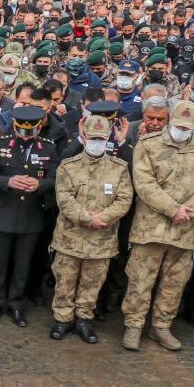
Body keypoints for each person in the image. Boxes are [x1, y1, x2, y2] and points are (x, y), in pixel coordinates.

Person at [122, 100, 194, 352]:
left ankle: (161, 327)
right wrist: (172, 209)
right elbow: (143, 183)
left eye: (187, 127)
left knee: (175, 283)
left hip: (186, 229)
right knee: (140, 279)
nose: (181, 130)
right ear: (169, 121)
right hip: (151, 227)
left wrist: (188, 210)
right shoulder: (148, 144)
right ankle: (133, 325)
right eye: (177, 125)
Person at [48, 116, 134, 344]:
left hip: (101, 240)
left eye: (101, 138)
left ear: (107, 139)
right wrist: (87, 219)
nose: (97, 142)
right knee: (65, 280)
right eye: (93, 137)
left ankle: (84, 318)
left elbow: (124, 199)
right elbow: (64, 199)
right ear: (84, 137)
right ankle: (62, 318)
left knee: (92, 282)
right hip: (70, 239)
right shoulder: (68, 166)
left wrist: (102, 218)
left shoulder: (119, 168)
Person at [0, 105, 61, 327]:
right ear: (15, 126)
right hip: (3, 211)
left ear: (39, 127)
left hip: (31, 214)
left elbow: (55, 179)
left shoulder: (48, 148)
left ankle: (16, 305)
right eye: (22, 130)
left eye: (31, 131)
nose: (26, 135)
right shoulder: (0, 143)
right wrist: (8, 182)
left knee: (22, 265)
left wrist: (40, 184)